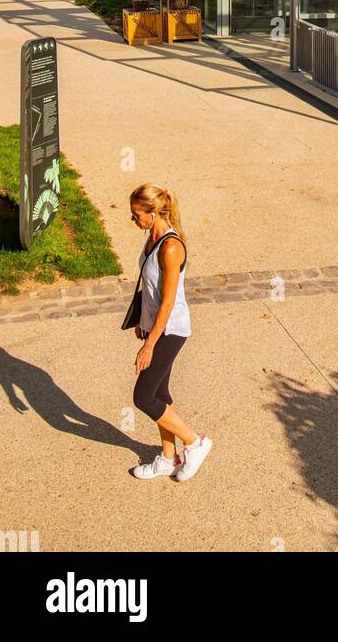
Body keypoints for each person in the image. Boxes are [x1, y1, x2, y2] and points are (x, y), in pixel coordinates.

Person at [128, 184, 212, 481]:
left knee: (144, 396)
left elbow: (167, 301)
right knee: (160, 393)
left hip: (171, 331)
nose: (133, 220)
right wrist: (142, 319)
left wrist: (149, 345)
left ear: (153, 212)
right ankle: (168, 458)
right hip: (154, 326)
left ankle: (195, 442)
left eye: (137, 215)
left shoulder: (171, 247)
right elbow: (150, 290)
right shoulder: (151, 239)